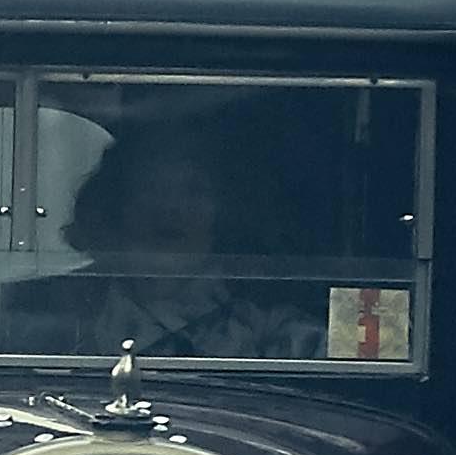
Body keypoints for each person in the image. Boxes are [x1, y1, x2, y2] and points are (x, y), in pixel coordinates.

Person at [41, 124, 324, 360]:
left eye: (194, 190)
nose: (171, 208)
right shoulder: (62, 307)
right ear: (116, 204)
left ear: (224, 211)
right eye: (152, 188)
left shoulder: (272, 326)